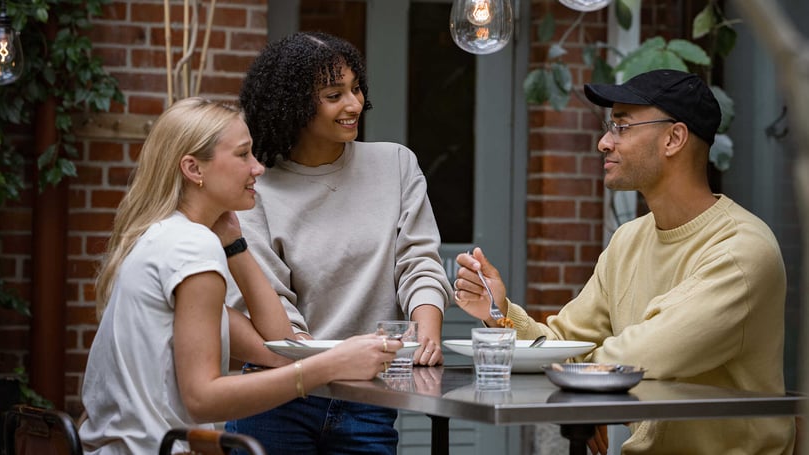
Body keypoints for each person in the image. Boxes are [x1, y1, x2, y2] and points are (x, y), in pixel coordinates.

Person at [454, 69, 796, 454]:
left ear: (673, 138)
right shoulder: (628, 240)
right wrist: (499, 311)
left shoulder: (742, 251)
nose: (603, 142)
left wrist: (589, 387)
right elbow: (567, 347)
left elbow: (638, 358)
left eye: (621, 126)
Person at [78, 97, 402, 454]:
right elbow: (202, 399)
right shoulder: (191, 248)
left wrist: (236, 245)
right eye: (243, 154)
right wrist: (330, 365)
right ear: (193, 169)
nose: (258, 168)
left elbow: (280, 348)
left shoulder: (165, 237)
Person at [224, 31, 452, 454]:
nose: (354, 104)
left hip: (369, 397)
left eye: (356, 88)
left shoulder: (395, 165)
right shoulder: (256, 186)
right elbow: (265, 299)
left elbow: (418, 261)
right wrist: (323, 364)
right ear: (293, 104)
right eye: (334, 95)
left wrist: (427, 332)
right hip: (278, 394)